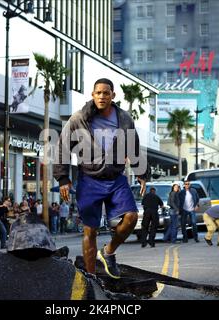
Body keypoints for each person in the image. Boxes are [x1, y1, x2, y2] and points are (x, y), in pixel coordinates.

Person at [54, 78, 148, 279]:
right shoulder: (79, 118)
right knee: (90, 231)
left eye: (106, 93)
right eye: (98, 93)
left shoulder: (124, 119)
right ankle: (91, 279)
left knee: (131, 217)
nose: (102, 96)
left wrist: (141, 173)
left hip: (116, 178)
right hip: (89, 179)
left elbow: (134, 146)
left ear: (113, 95)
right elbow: (62, 146)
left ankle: (109, 252)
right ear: (92, 95)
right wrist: (62, 178)